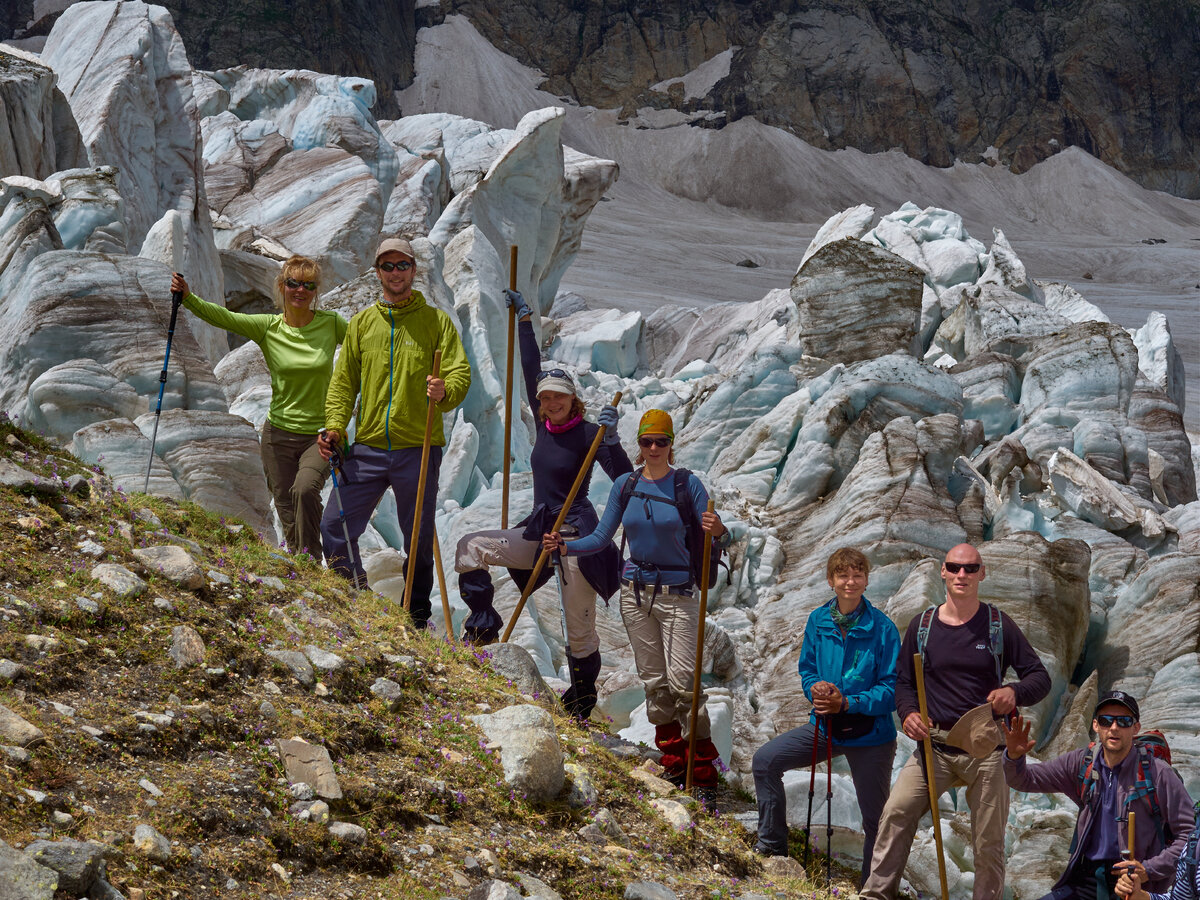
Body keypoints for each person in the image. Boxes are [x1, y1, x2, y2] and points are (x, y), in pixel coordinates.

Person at [453, 288, 632, 717]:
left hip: (576, 540)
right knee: (470, 548)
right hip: (539, 531)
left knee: (580, 629)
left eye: (560, 398)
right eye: (545, 398)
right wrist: (525, 321)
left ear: (574, 400)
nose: (550, 403)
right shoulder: (545, 424)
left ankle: (581, 702)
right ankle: (483, 627)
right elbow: (531, 367)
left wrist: (613, 438)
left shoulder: (591, 437)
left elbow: (624, 479)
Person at [544, 409, 731, 791]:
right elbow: (601, 537)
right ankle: (675, 760)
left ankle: (704, 775)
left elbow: (718, 539)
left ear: (671, 444)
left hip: (678, 596)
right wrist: (566, 546)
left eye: (661, 441)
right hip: (635, 595)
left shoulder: (687, 485)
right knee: (654, 683)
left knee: (684, 685)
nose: (654, 448)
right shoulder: (625, 486)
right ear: (639, 444)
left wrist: (721, 529)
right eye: (647, 441)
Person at [860, 543, 1052, 900]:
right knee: (896, 812)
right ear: (944, 573)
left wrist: (1014, 692)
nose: (962, 574)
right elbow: (903, 682)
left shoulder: (998, 625)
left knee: (989, 841)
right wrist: (909, 713)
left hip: (987, 750)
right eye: (955, 567)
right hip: (935, 746)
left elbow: (1039, 678)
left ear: (982, 573)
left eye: (970, 568)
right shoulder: (923, 626)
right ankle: (876, 895)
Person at [318, 237, 471, 628]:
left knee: (417, 536)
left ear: (414, 270)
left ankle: (415, 611)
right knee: (335, 523)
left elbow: (459, 372)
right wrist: (335, 425)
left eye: (403, 264)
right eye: (388, 266)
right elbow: (342, 383)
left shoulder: (435, 322)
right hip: (368, 445)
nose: (396, 272)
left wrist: (445, 391)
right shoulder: (362, 325)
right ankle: (351, 595)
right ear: (377, 272)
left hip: (417, 447)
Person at [170, 258, 347, 559]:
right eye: (293, 283)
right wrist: (188, 298)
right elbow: (224, 318)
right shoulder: (269, 327)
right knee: (287, 507)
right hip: (278, 435)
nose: (300, 290)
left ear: (316, 291)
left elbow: (364, 345)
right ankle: (304, 569)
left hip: (318, 436)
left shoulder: (331, 324)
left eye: (308, 284)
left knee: (304, 491)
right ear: (281, 286)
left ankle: (311, 561)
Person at [751, 547, 900, 885]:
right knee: (765, 761)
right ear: (831, 580)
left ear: (866, 579)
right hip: (825, 728)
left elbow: (891, 690)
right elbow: (807, 670)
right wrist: (815, 688)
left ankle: (873, 888)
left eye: (857, 574)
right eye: (843, 575)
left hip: (871, 736)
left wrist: (847, 702)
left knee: (876, 819)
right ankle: (772, 849)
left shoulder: (883, 629)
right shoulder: (818, 621)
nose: (850, 581)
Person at [1002, 690, 1194, 900]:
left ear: (1135, 727)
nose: (1114, 727)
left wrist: (1149, 869)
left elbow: (1190, 835)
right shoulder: (1081, 763)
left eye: (1123, 721)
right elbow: (1025, 780)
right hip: (1086, 879)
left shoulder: (1158, 773)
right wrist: (1014, 757)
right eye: (1106, 720)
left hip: (1133, 885)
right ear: (1095, 725)